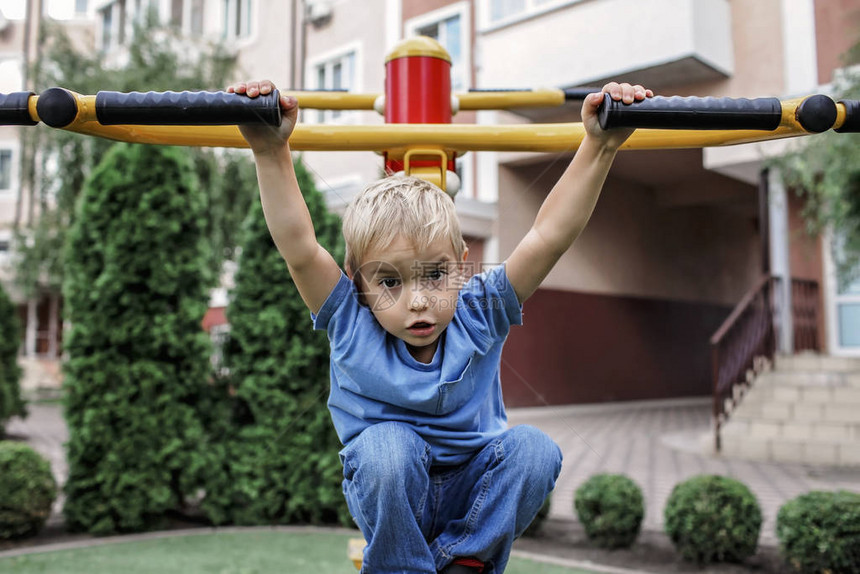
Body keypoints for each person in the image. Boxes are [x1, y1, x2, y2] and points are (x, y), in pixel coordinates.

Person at [227, 79, 653, 574]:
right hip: (391, 490)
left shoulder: (479, 312)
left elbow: (548, 236)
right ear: (357, 284)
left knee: (534, 449)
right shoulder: (349, 320)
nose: (419, 300)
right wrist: (269, 149)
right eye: (389, 282)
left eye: (435, 274)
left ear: (461, 264)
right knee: (392, 448)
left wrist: (599, 146)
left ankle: (463, 560)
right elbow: (299, 246)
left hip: (476, 493)